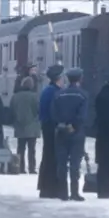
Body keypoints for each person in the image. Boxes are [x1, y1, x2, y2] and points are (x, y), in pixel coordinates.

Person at [51, 67, 89, 201]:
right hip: (76, 133)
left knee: (62, 164)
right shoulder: (83, 95)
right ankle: (74, 192)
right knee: (75, 164)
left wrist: (62, 124)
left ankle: (62, 192)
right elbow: (82, 116)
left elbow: (53, 114)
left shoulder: (59, 95)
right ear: (80, 79)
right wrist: (73, 126)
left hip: (61, 132)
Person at [37, 66, 66, 199]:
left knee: (47, 155)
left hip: (46, 126)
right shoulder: (55, 92)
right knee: (53, 156)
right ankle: (51, 187)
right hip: (52, 127)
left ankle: (45, 187)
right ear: (58, 78)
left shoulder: (47, 91)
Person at [10, 76, 40, 174]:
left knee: (20, 148)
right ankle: (32, 168)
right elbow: (38, 110)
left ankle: (20, 167)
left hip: (19, 127)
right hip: (32, 127)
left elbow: (12, 111)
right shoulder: (35, 96)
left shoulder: (15, 97)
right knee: (32, 150)